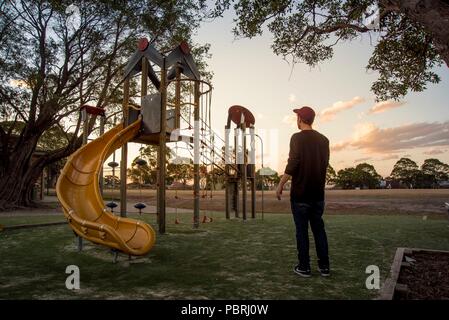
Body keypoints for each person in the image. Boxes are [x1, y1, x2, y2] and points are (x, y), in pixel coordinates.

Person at [276, 106, 330, 277]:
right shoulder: (324, 140)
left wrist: (280, 184)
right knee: (319, 230)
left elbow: (293, 164)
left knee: (302, 231)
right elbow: (324, 164)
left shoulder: (296, 138)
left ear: (300, 118)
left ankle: (304, 267)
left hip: (300, 195)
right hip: (318, 195)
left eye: (297, 116)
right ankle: (324, 267)